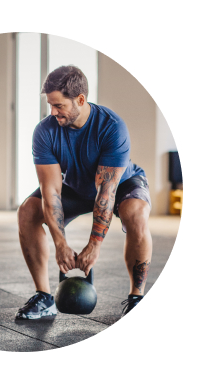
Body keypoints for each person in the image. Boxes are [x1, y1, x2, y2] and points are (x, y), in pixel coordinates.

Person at [16, 65, 152, 320]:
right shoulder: (44, 131)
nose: (53, 112)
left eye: (59, 106)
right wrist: (60, 244)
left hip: (121, 183)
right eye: (50, 106)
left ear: (80, 99)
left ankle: (137, 298)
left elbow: (106, 191)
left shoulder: (111, 127)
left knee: (136, 212)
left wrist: (94, 245)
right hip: (75, 186)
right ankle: (44, 297)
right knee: (27, 211)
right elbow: (51, 191)